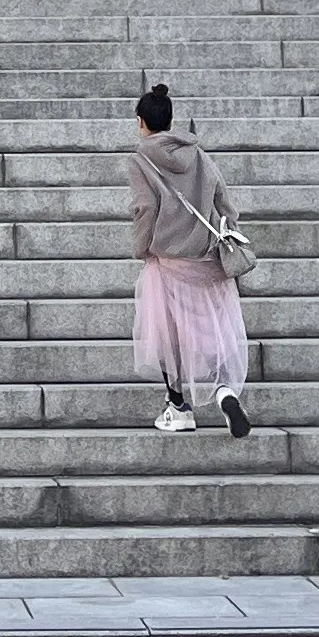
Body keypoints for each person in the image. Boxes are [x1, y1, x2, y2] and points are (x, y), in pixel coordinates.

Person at [126, 83, 252, 436]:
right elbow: (223, 197)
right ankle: (225, 390)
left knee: (167, 334)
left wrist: (141, 247)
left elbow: (145, 207)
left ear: (141, 122)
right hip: (206, 259)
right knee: (212, 328)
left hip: (168, 261)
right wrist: (230, 229)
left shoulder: (141, 159)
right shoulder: (195, 152)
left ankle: (177, 406)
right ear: (169, 120)